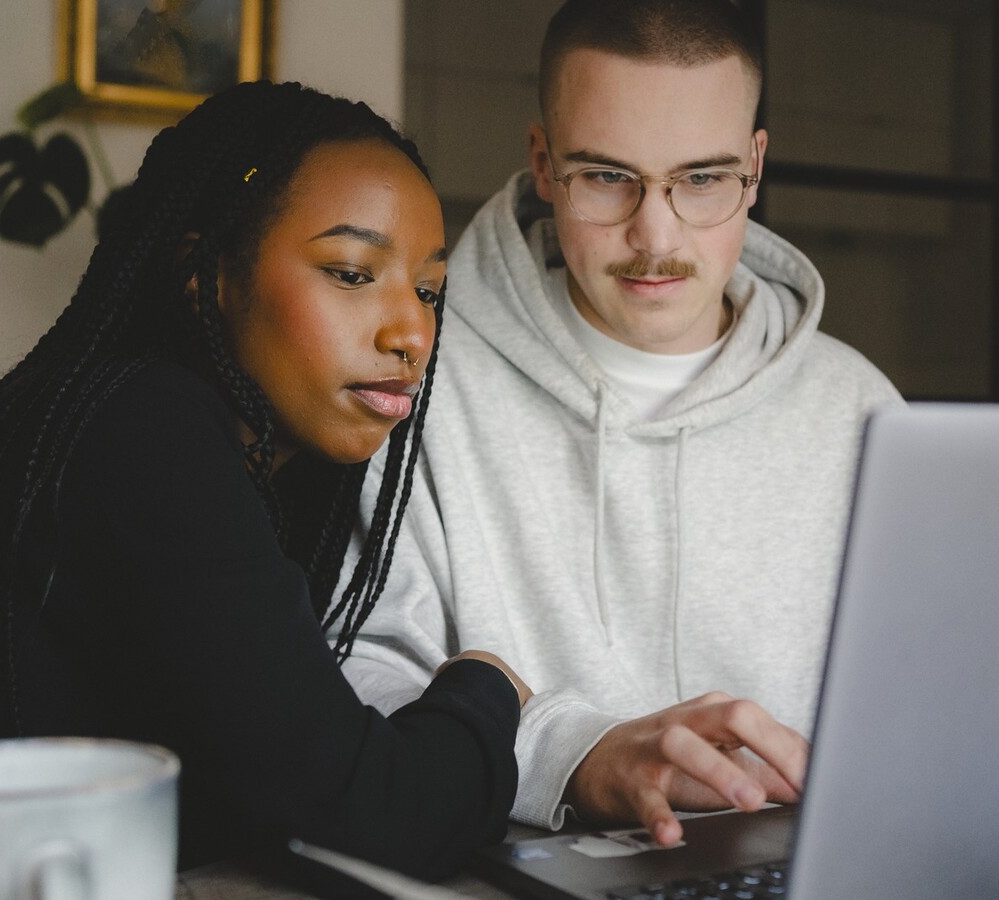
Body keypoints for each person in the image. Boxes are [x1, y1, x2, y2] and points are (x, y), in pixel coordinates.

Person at [0, 81, 530, 899]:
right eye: (351, 272)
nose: (409, 332)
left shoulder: (197, 444)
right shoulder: (144, 432)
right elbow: (373, 813)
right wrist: (488, 691)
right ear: (204, 276)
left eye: (429, 290)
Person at [339, 0, 904, 847]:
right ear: (542, 162)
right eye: (607, 176)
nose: (655, 234)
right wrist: (572, 756)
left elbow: (937, 697)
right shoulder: (419, 384)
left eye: (703, 180)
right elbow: (358, 680)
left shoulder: (862, 409)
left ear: (755, 165)